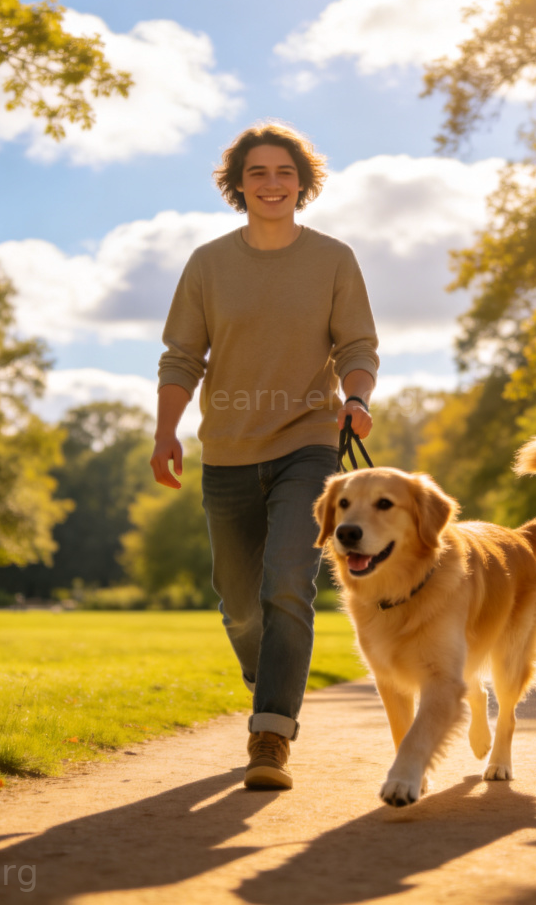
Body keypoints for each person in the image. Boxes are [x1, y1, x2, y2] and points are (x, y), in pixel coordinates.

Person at [151, 121, 379, 790]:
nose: (272, 184)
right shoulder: (209, 263)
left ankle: (271, 733)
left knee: (287, 579)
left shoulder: (334, 259)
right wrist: (166, 433)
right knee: (240, 603)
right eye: (258, 173)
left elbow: (357, 345)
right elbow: (181, 356)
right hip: (225, 449)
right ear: (238, 185)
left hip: (306, 444)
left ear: (302, 183)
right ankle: (268, 671)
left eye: (284, 172)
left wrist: (357, 397)